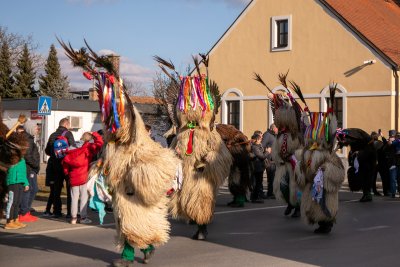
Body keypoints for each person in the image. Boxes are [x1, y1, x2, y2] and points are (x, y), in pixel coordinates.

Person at [62, 131, 104, 224]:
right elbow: (100, 143)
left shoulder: (71, 148)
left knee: (74, 198)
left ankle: (73, 218)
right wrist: (95, 134)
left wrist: (67, 173)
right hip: (83, 176)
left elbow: (65, 162)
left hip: (73, 176)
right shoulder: (88, 148)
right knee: (84, 198)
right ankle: (83, 217)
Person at [44, 118, 76, 218]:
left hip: (55, 166)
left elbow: (47, 151)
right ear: (66, 124)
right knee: (69, 189)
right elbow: (73, 148)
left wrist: (55, 156)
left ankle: (57, 211)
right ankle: (70, 213)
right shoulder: (68, 134)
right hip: (66, 165)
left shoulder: (53, 135)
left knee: (56, 190)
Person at [17, 125, 40, 222]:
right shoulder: (28, 140)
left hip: (31, 168)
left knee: (33, 189)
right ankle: (23, 212)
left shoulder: (29, 138)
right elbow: (27, 156)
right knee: (29, 189)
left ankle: (25, 210)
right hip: (29, 168)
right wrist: (35, 165)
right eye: (36, 128)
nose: (38, 130)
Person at [4, 158, 29, 229]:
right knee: (12, 202)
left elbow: (23, 172)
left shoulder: (22, 159)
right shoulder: (11, 156)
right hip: (12, 182)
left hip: (20, 182)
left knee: (17, 202)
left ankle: (15, 220)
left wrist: (26, 183)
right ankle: (9, 222)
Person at [251, 133, 269, 203]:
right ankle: (255, 198)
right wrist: (267, 152)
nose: (262, 139)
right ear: (257, 139)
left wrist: (265, 150)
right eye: (261, 138)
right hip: (257, 167)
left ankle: (255, 196)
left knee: (258, 183)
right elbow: (262, 156)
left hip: (260, 167)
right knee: (257, 183)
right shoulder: (254, 147)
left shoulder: (259, 145)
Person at [261, 124, 278, 199]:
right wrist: (267, 152)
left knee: (273, 177)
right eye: (277, 128)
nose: (278, 130)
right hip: (268, 160)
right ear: (273, 128)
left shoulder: (273, 135)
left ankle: (272, 192)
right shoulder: (267, 135)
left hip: (274, 160)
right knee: (271, 177)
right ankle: (270, 193)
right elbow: (262, 145)